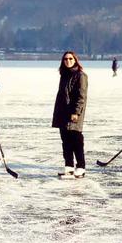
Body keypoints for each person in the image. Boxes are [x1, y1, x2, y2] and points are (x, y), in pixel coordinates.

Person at [52, 51, 88, 179]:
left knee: (76, 140)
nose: (68, 61)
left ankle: (81, 167)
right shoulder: (64, 75)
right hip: (62, 112)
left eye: (70, 59)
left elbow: (81, 96)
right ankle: (69, 166)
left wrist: (76, 112)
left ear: (75, 60)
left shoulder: (81, 75)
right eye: (65, 59)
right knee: (65, 140)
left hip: (74, 113)